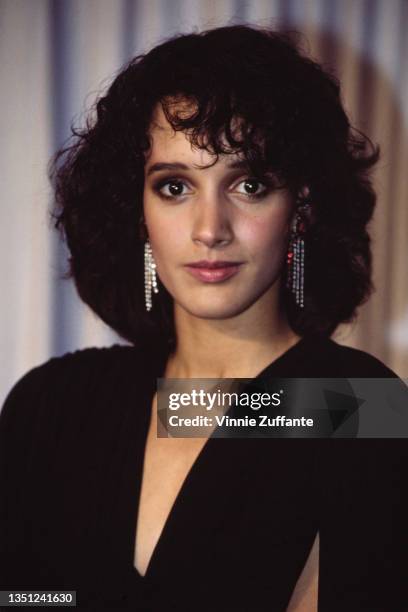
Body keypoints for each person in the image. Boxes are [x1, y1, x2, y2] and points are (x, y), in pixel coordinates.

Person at [0, 25, 407, 611]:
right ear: (136, 210)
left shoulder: (358, 404)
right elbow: (26, 597)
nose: (210, 229)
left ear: (301, 207)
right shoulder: (53, 406)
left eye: (249, 183)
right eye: (174, 187)